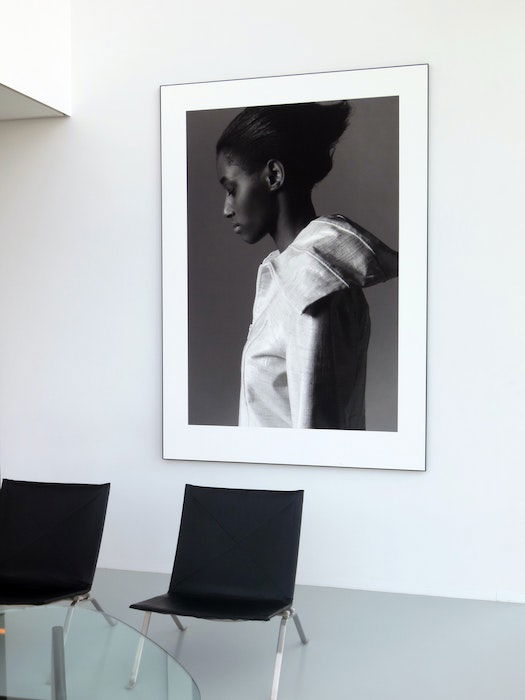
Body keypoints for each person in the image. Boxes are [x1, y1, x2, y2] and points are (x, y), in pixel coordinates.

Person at [216, 101, 398, 430]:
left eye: (232, 189)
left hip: (288, 482)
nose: (226, 208)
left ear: (273, 175)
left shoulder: (313, 284)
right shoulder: (291, 275)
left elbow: (318, 436)